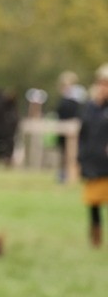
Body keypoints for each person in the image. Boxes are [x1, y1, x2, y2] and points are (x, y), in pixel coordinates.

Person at [78, 64, 108, 248]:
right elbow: (84, 133)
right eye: (102, 83)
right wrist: (80, 158)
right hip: (93, 162)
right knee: (93, 203)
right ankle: (95, 240)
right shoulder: (90, 107)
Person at [56, 70, 87, 184]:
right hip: (63, 129)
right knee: (63, 153)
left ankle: (74, 175)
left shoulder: (77, 99)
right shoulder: (63, 99)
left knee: (74, 154)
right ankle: (63, 175)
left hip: (75, 129)